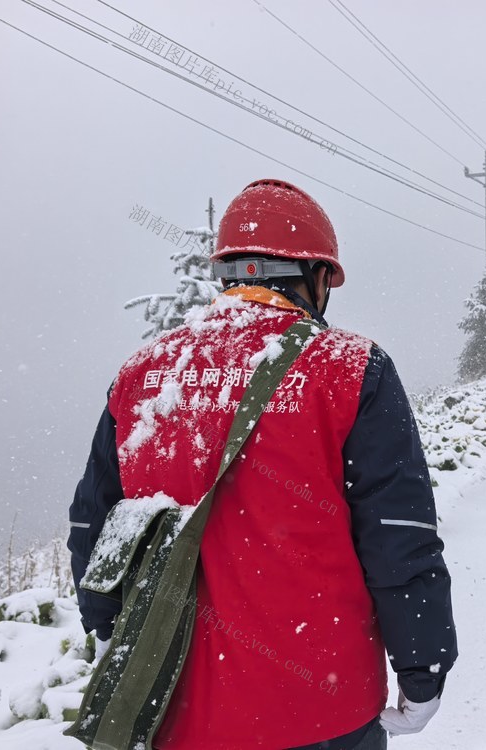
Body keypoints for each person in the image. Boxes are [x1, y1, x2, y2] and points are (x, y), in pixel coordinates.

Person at [68, 178, 456, 749]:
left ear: (229, 273)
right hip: (323, 711)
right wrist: (423, 668)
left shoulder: (139, 375)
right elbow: (398, 535)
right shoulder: (352, 369)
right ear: (317, 278)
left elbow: (93, 525)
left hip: (172, 713)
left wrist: (103, 627)